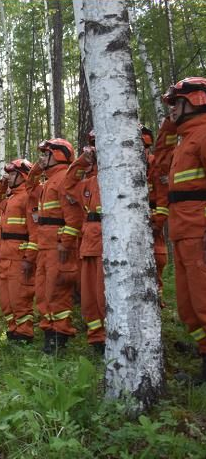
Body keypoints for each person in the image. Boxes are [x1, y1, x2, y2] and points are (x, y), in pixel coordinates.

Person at [162, 76, 206, 381]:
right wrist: (167, 129)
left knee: (203, 298)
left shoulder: (203, 135)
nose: (171, 111)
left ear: (195, 100)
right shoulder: (184, 140)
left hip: (199, 232)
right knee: (189, 302)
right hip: (183, 231)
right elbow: (156, 166)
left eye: (175, 103)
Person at [26, 139, 78, 354]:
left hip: (58, 246)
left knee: (57, 292)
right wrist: (38, 166)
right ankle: (49, 332)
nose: (41, 158)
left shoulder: (65, 178)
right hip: (44, 246)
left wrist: (65, 243)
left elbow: (73, 218)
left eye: (45, 154)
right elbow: (30, 186)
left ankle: (60, 337)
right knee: (43, 292)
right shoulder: (48, 182)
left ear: (57, 155)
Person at [62, 136, 105, 354]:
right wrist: (82, 161)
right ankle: (97, 340)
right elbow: (68, 185)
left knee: (103, 295)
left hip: (108, 247)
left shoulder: (123, 175)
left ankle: (110, 338)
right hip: (88, 245)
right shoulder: (88, 183)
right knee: (89, 298)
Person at [0, 159, 37, 343]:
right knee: (6, 300)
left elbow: (35, 230)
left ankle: (25, 334)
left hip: (20, 257)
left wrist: (29, 257)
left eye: (12, 175)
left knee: (20, 298)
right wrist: (2, 184)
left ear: (22, 176)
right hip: (5, 256)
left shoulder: (28, 197)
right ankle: (13, 332)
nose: (9, 178)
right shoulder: (10, 198)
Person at [142, 125, 170, 306]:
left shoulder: (155, 166)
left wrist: (157, 223)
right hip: (134, 222)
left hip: (152, 225)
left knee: (156, 260)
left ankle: (155, 304)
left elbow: (162, 198)